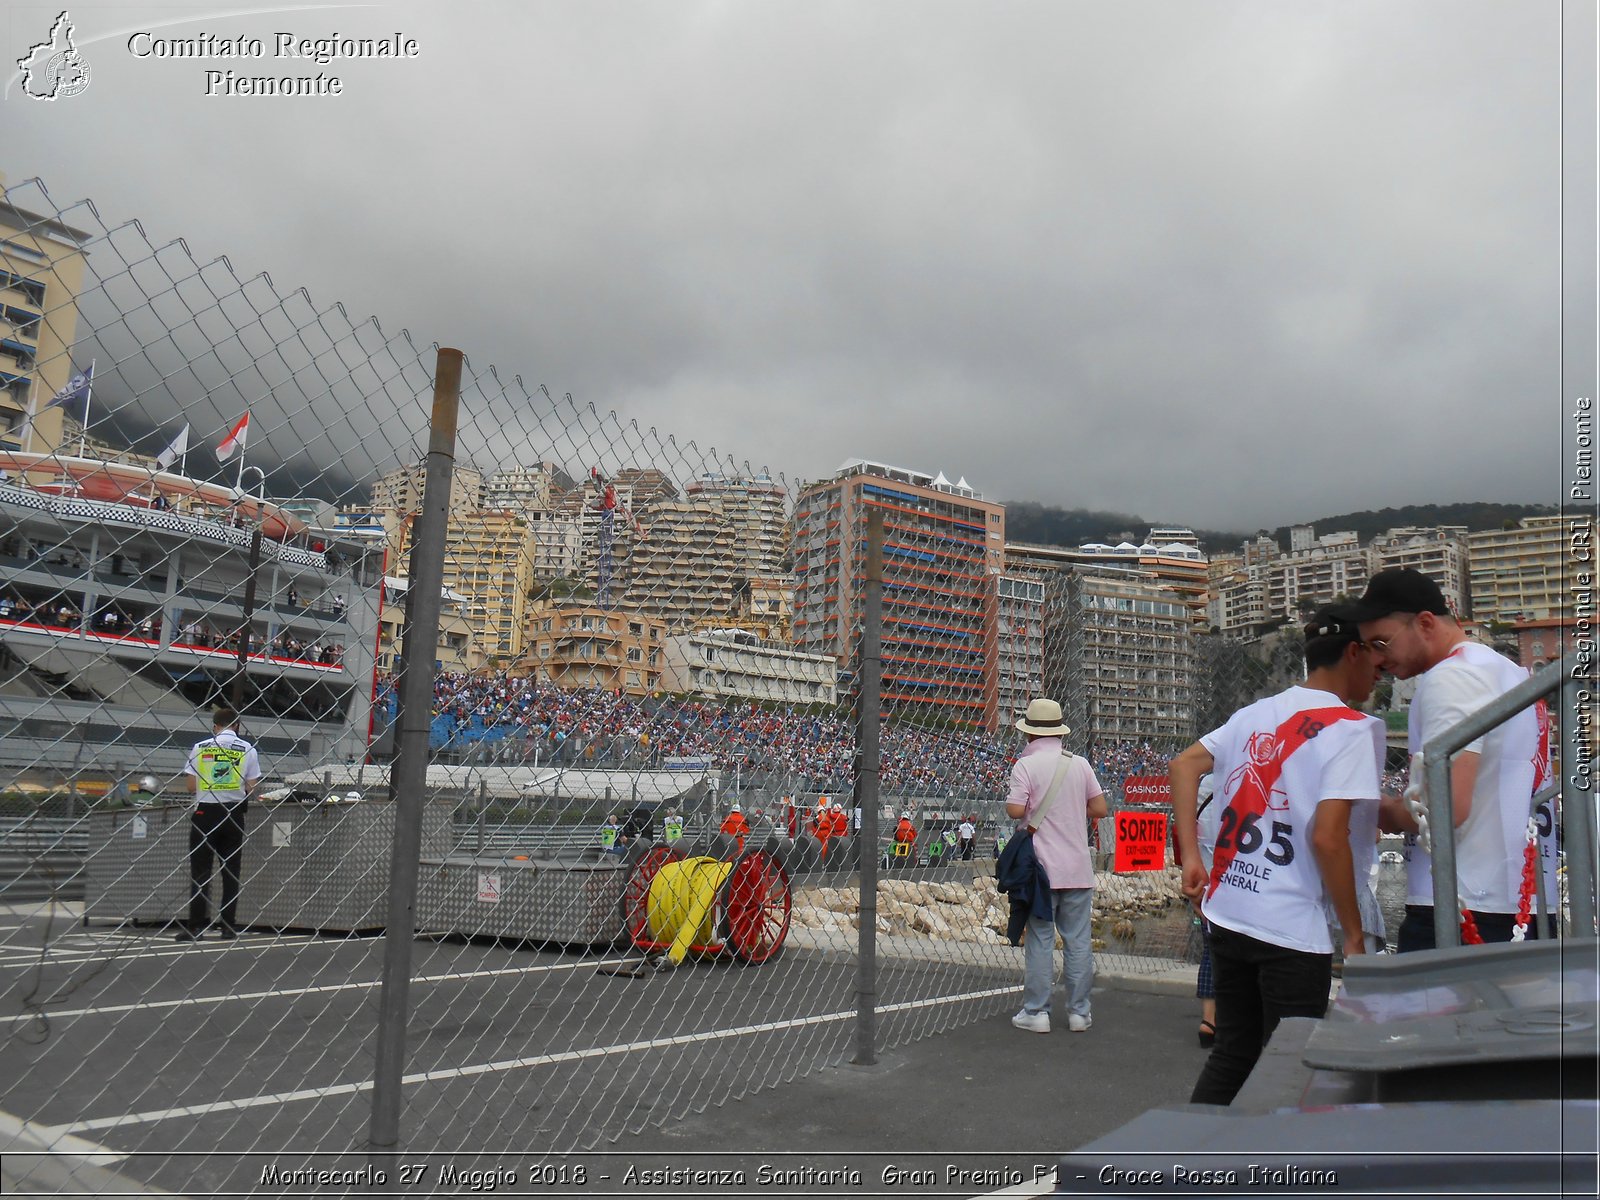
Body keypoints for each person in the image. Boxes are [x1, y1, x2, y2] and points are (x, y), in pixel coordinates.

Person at [1171, 605, 1383, 1105]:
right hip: (1290, 926)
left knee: (1233, 1052)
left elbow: (1184, 766)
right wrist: (1353, 935)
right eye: (1375, 656)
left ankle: (1194, 1166)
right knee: (1292, 1071)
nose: (1381, 670)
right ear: (1352, 652)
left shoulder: (1255, 713)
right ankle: (1279, 1176)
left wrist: (1190, 858)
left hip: (1230, 909)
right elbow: (1328, 838)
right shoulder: (1352, 729)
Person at [1353, 567, 1548, 950]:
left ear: (1425, 623)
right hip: (1519, 900)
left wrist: (1372, 809)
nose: (1375, 660)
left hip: (1460, 903)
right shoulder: (1511, 673)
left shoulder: (1450, 678)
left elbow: (1446, 808)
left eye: (1381, 643)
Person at [1005, 697, 1107, 1035]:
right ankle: (1080, 1013)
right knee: (1078, 941)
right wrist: (1071, 810)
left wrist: (1036, 805)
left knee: (1040, 940)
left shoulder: (1025, 766)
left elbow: (1016, 810)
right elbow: (1100, 807)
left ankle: (1037, 1012)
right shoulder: (1079, 763)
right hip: (1077, 868)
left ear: (1030, 734)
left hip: (1041, 872)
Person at [176, 706, 262, 942]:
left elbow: (191, 787)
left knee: (200, 871)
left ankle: (196, 926)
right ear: (237, 726)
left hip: (206, 812)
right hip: (234, 813)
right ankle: (228, 926)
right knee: (231, 871)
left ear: (215, 726)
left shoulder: (200, 747)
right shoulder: (247, 749)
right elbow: (252, 787)